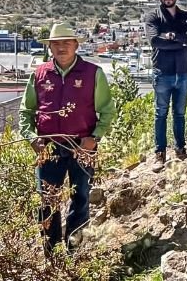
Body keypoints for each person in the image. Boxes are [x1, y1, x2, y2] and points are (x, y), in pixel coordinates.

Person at [19, 22, 116, 253]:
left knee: (81, 197)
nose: (61, 48)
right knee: (46, 200)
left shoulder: (94, 73)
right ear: (50, 47)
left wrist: (94, 138)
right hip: (48, 148)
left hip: (82, 147)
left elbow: (107, 111)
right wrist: (32, 138)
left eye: (66, 43)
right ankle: (50, 253)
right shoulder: (40, 74)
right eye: (56, 44)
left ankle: (74, 251)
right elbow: (26, 111)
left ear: (75, 45)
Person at [144, 0, 187, 164]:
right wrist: (180, 41)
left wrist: (173, 38)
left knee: (180, 113)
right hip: (162, 73)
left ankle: (180, 149)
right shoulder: (153, 17)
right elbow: (155, 41)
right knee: (161, 113)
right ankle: (160, 152)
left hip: (183, 73)